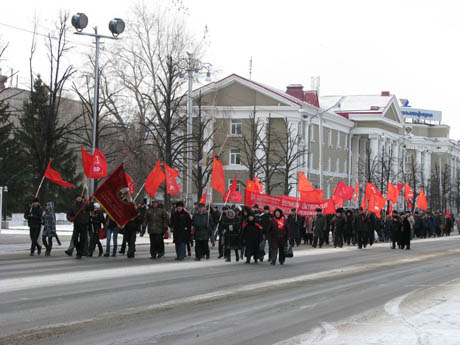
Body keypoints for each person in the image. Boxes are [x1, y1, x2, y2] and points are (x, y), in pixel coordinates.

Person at [67, 195, 90, 259]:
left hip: (84, 224)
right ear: (76, 199)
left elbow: (90, 208)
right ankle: (79, 249)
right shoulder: (73, 207)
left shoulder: (85, 205)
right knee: (74, 238)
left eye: (80, 197)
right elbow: (69, 214)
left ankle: (79, 254)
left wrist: (89, 202)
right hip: (77, 225)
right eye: (78, 197)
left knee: (83, 239)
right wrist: (69, 218)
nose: (79, 198)